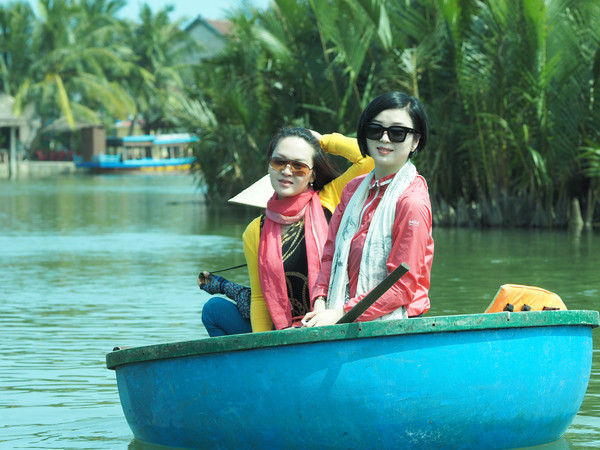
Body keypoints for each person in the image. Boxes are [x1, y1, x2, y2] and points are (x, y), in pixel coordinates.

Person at [199, 127, 374, 335]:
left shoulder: (332, 199)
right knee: (213, 309)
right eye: (279, 162)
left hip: (335, 321)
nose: (287, 171)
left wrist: (323, 141)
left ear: (312, 174)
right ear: (269, 166)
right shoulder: (255, 231)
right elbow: (260, 298)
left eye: (299, 166)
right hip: (287, 329)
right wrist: (263, 344)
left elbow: (369, 160)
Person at [303, 91, 434, 327]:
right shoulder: (353, 190)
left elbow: (402, 286)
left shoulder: (411, 202)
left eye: (397, 132)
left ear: (415, 141)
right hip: (342, 316)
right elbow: (330, 254)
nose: (384, 139)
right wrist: (320, 300)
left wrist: (341, 313)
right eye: (375, 129)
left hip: (398, 325)